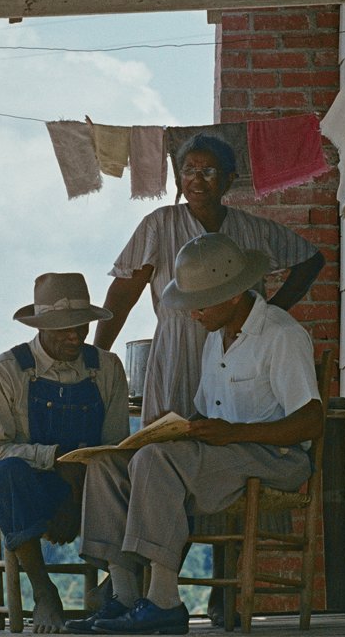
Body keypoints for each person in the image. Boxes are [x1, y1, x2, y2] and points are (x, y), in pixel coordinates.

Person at [68, 232, 323, 635]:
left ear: (234, 295)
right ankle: (126, 597)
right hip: (223, 456)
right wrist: (176, 430)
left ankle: (164, 602)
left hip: (277, 459)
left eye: (200, 304)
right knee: (107, 464)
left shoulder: (281, 335)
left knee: (154, 462)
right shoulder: (215, 340)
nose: (192, 314)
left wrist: (234, 434)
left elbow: (311, 422)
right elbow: (209, 414)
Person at [95, 132, 323, 425]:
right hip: (178, 351)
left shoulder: (252, 229)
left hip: (242, 347)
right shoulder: (160, 224)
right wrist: (98, 358)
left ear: (229, 179)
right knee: (168, 439)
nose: (197, 180)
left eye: (208, 171)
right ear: (179, 179)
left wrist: (270, 312)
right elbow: (123, 295)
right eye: (189, 171)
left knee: (230, 430)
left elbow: (310, 259)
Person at [0, 272, 130, 633]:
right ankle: (44, 593)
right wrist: (55, 459)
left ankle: (121, 589)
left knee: (153, 473)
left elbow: (115, 448)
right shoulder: (4, 372)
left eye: (82, 326)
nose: (75, 336)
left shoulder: (107, 368)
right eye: (62, 328)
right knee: (6, 475)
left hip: (94, 489)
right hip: (33, 493)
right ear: (41, 326)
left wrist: (78, 488)